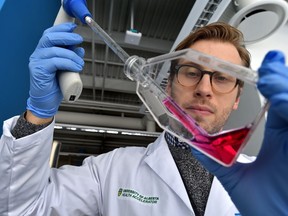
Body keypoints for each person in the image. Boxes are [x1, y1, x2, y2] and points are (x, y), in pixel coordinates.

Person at [0, 21, 287, 216]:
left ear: (237, 98)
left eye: (222, 78)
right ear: (168, 85)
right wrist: (37, 114)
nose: (203, 89)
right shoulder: (111, 171)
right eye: (191, 73)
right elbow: (22, 210)